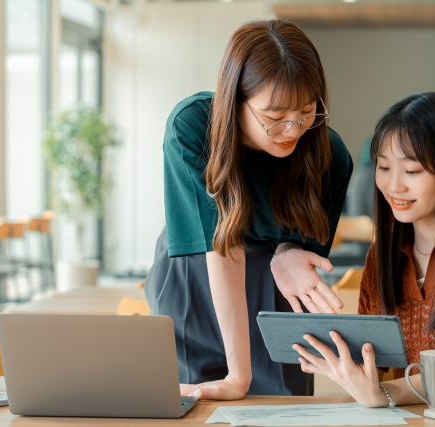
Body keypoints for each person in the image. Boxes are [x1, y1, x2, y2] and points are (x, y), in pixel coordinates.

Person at [145, 19, 353, 400]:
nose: (293, 130)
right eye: (274, 118)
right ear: (235, 99)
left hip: (276, 284)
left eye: (307, 112)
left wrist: (287, 251)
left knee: (283, 404)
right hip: (198, 273)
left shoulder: (330, 156)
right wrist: (239, 374)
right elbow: (221, 246)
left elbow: (304, 246)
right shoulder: (191, 126)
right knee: (194, 402)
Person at [293, 92, 435, 406]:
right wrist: (343, 365)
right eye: (384, 167)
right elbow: (372, 365)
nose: (394, 186)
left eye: (412, 171)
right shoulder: (383, 255)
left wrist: (382, 396)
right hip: (410, 416)